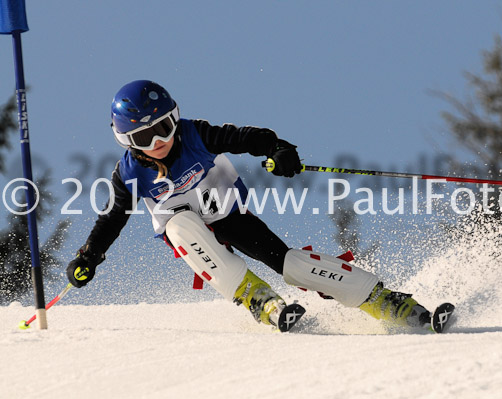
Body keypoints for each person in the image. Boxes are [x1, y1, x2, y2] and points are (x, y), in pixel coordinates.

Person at [66, 80, 434, 332]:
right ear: (126, 140)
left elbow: (246, 137)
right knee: (179, 226)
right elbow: (113, 217)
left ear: (175, 118)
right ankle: (256, 298)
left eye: (164, 127)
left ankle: (381, 299)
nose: (159, 140)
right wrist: (89, 255)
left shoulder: (196, 135)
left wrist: (278, 149)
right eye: (144, 136)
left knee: (286, 261)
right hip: (187, 231)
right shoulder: (128, 173)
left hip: (226, 213)